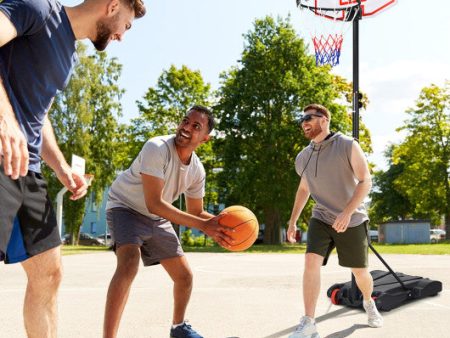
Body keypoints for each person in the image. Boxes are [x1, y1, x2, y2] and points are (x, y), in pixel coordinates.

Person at [0, 0, 146, 337]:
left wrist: (62, 168)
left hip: (27, 169)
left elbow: (39, 116)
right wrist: (5, 120)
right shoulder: (37, 9)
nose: (123, 36)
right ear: (112, 6)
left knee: (48, 274)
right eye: (127, 25)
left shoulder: (67, 54)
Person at [103, 105, 233, 338]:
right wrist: (203, 226)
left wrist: (223, 226)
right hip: (126, 207)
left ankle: (179, 328)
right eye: (185, 121)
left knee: (184, 277)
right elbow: (155, 203)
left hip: (157, 216)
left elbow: (197, 211)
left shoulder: (197, 170)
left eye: (196, 126)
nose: (186, 127)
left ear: (205, 138)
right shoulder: (157, 148)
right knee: (129, 263)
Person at [286, 104, 383, 338]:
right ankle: (309, 323)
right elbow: (303, 188)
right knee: (310, 262)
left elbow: (365, 181)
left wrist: (347, 212)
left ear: (325, 120)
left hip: (351, 219)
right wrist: (292, 221)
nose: (304, 122)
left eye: (309, 117)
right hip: (321, 217)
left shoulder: (348, 145)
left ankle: (369, 303)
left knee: (360, 273)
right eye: (302, 118)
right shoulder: (303, 157)